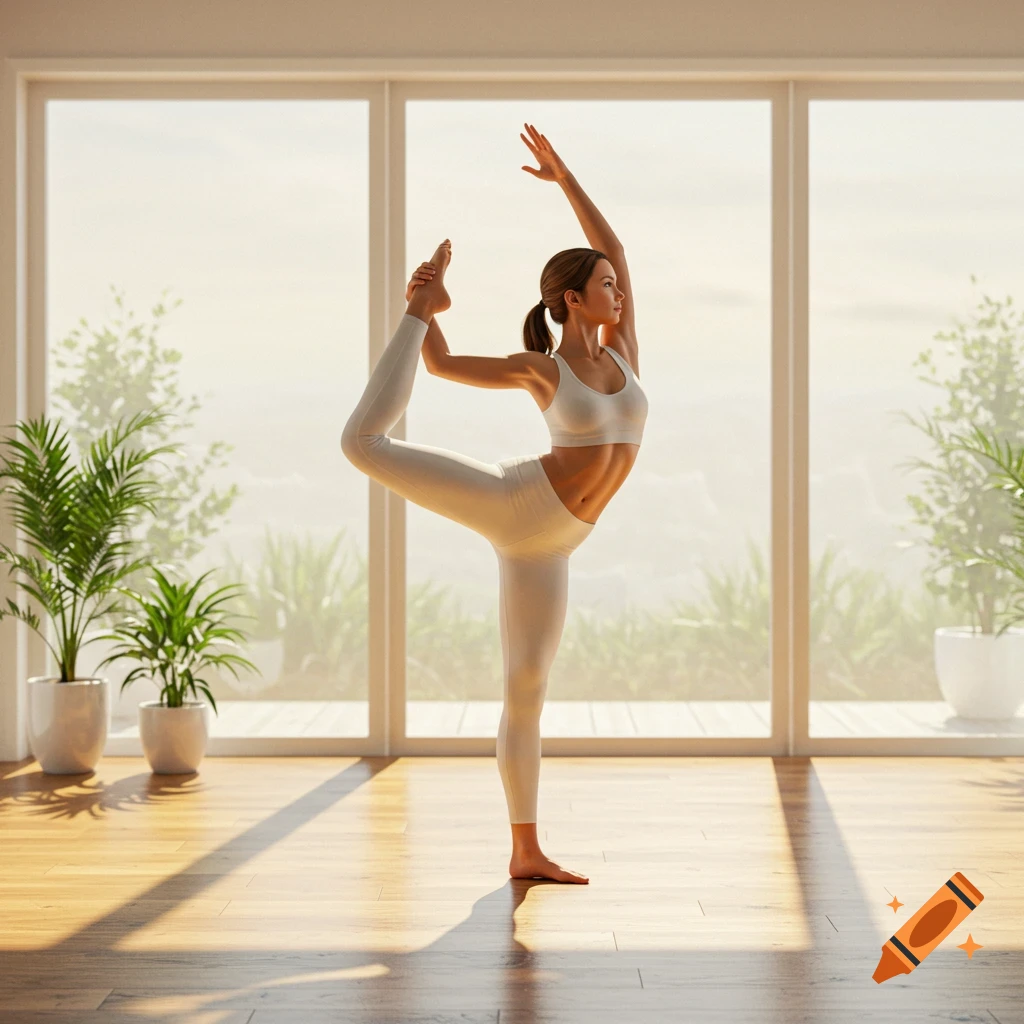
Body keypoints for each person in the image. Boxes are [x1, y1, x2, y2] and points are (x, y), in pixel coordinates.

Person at [341, 123, 647, 884]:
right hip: (517, 504)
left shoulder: (624, 351)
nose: (617, 291)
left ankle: (525, 850)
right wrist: (425, 305)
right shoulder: (539, 369)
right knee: (363, 445)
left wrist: (566, 177)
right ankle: (524, 846)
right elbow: (439, 365)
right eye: (603, 284)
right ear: (572, 299)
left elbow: (620, 251)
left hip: (553, 543)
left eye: (616, 284)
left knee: (527, 687)